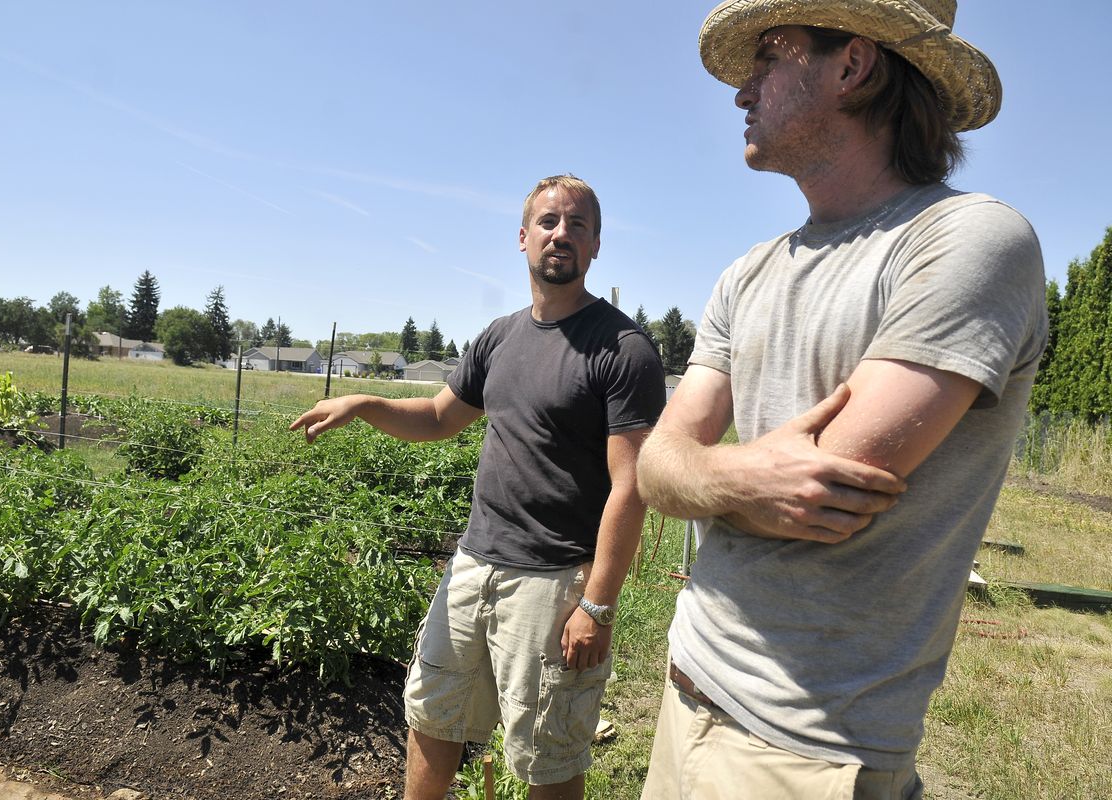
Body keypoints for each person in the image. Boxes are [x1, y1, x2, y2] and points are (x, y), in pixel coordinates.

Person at [636, 2, 1047, 798]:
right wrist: (739, 479)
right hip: (687, 685)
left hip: (808, 743)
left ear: (852, 67)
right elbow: (656, 466)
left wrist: (702, 473)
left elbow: (825, 491)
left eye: (767, 59)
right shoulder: (749, 272)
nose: (740, 92)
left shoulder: (964, 240)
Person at [291, 175, 666, 800]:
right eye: (548, 222)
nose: (561, 234)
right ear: (523, 238)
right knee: (432, 717)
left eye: (577, 225)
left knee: (547, 755)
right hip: (473, 565)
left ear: (597, 244)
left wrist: (596, 605)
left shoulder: (622, 349)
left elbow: (633, 485)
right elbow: (441, 417)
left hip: (553, 581)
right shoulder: (498, 336)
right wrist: (365, 402)